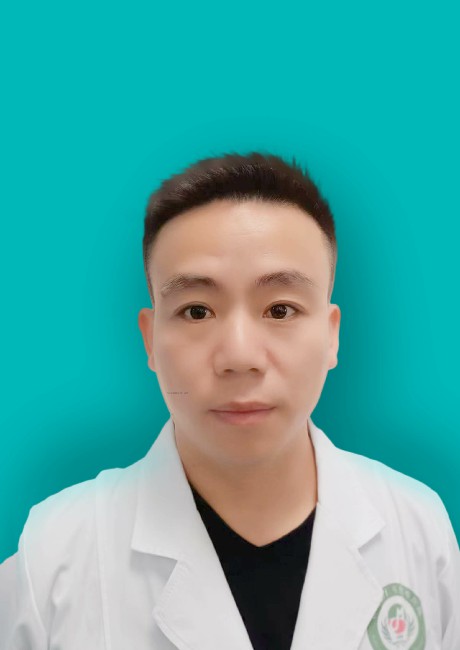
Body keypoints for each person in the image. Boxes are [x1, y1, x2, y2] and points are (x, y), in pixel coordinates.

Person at [0, 152, 458, 650]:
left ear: (331, 336)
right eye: (197, 311)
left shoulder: (419, 529)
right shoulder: (53, 558)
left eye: (280, 310)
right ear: (150, 340)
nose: (240, 357)